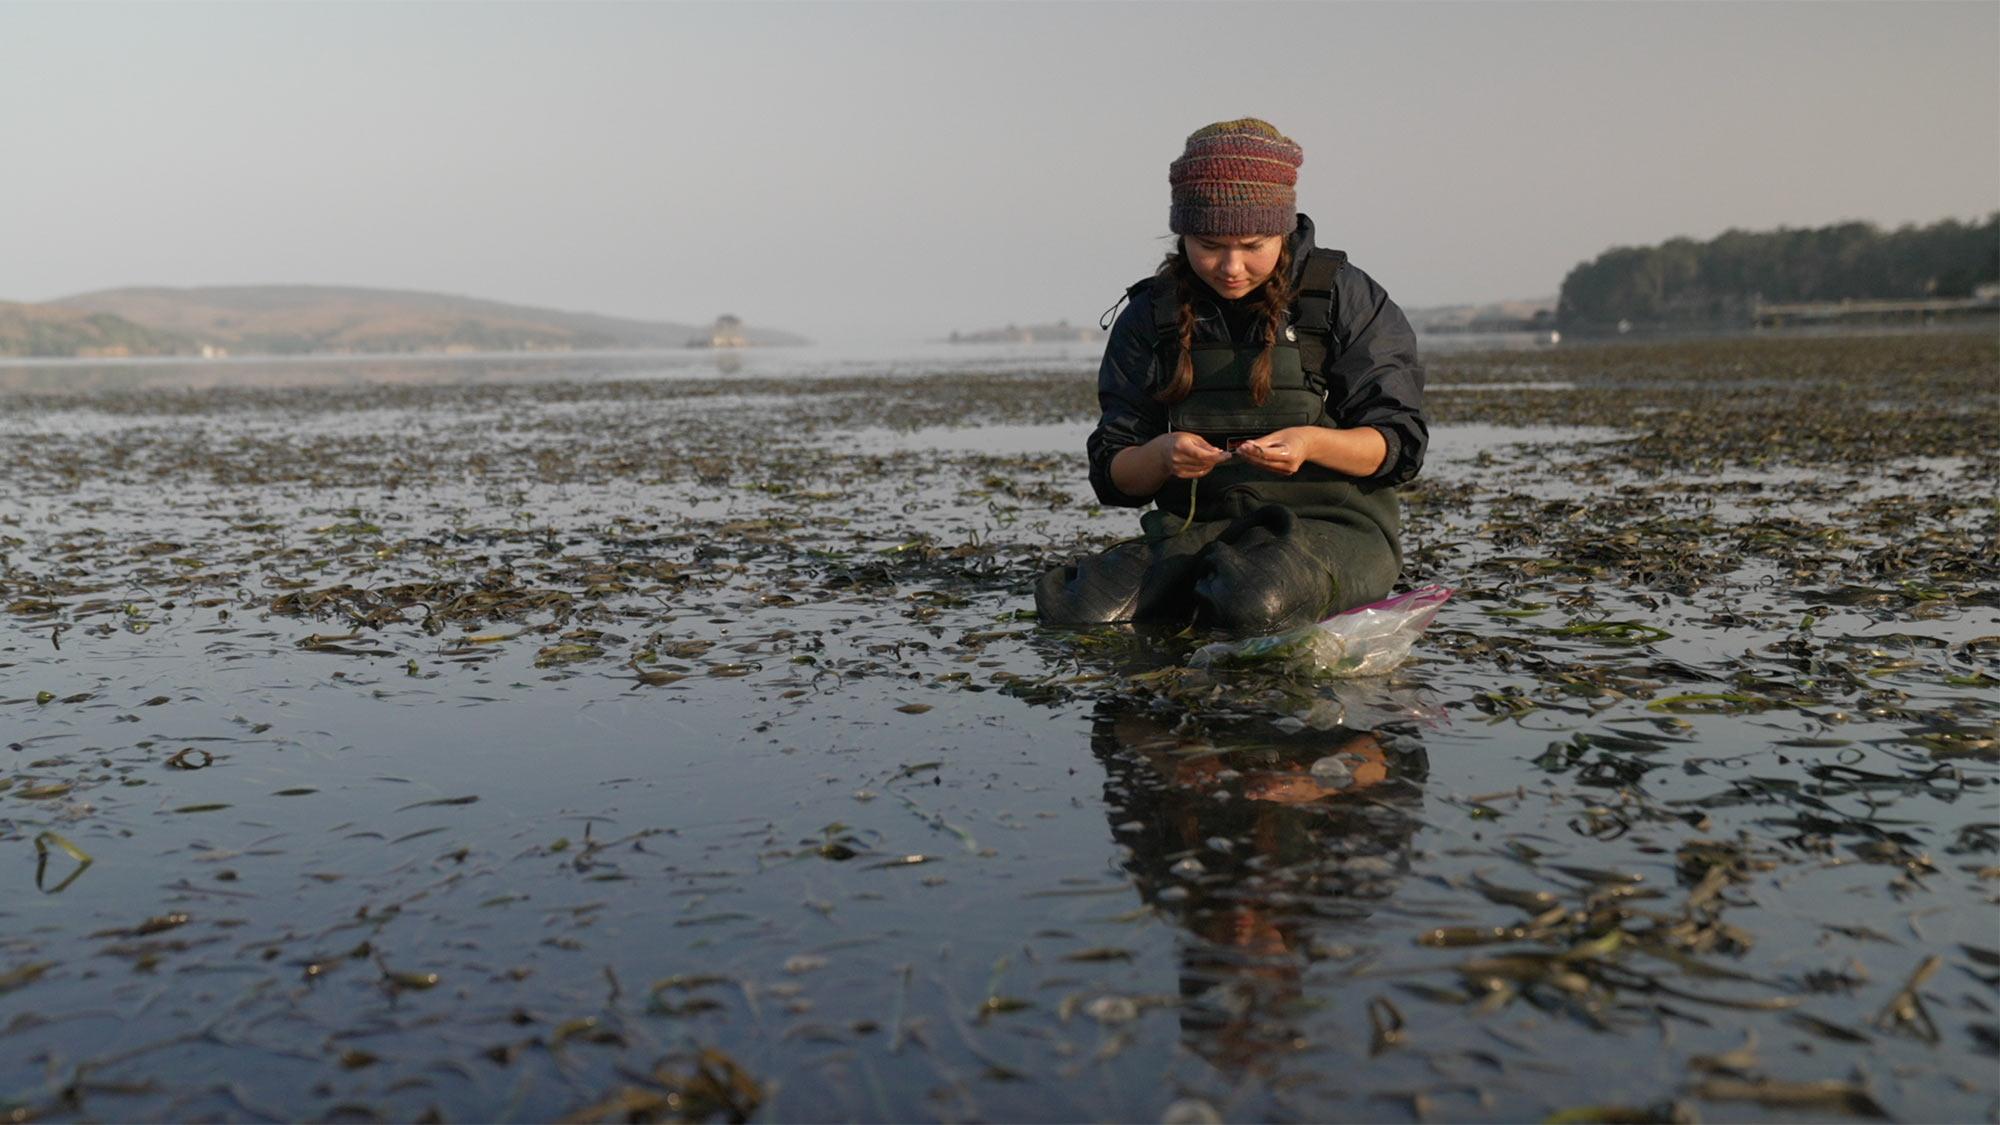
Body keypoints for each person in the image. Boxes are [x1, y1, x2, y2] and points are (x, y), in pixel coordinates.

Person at [1036, 118, 1427, 636]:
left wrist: (1310, 444)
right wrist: (1160, 456)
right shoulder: (1151, 315)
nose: (1230, 266)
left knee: (1253, 602)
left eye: (1252, 244)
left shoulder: (1342, 298)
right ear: (1182, 235)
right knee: (1078, 611)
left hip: (1338, 528)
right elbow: (1114, 475)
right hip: (1201, 530)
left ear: (1283, 229)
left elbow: (1399, 446)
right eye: (1208, 245)